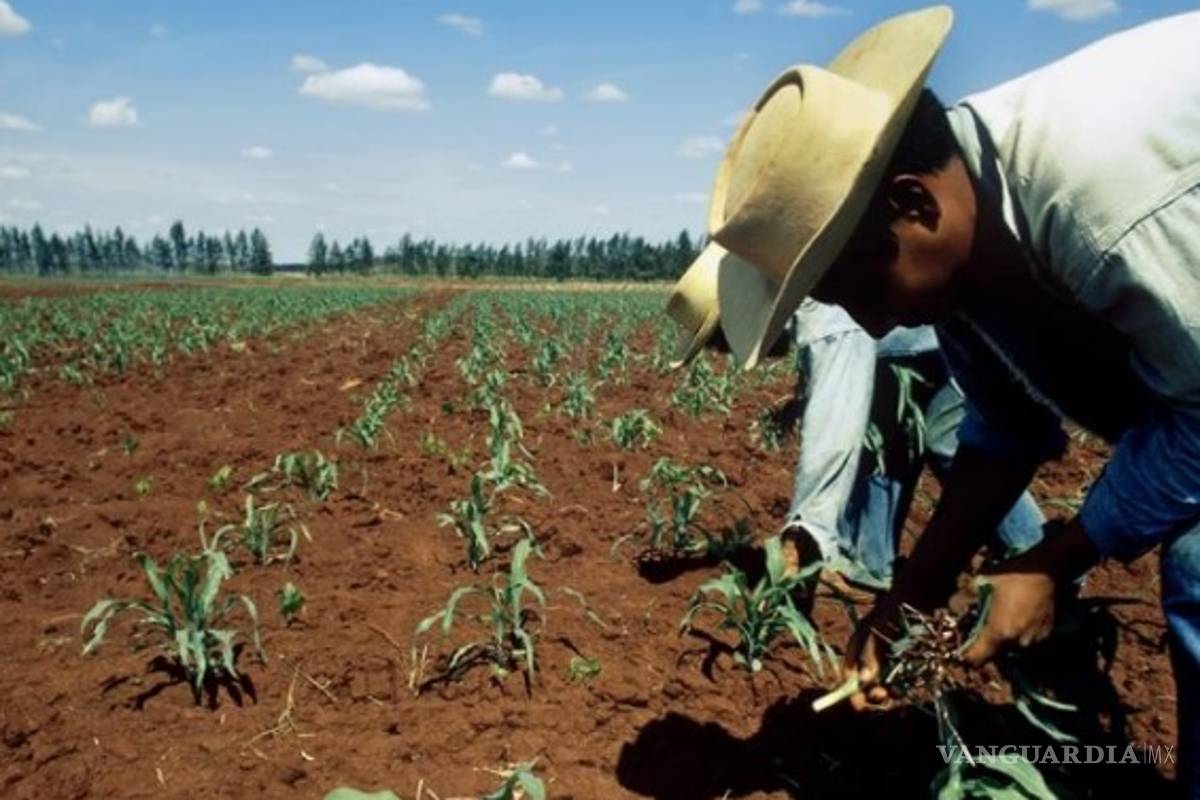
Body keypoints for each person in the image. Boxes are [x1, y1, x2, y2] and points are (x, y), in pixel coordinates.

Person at [668, 6, 1200, 792]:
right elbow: (1006, 429)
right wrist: (909, 599)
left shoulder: (1097, 201)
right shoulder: (971, 250)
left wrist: (1057, 559)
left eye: (858, 290)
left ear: (916, 206)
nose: (872, 323)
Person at [783, 298, 1044, 589]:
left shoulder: (822, 306)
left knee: (948, 439)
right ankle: (870, 565)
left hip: (939, 327)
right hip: (924, 327)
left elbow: (835, 425)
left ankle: (1040, 563)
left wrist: (808, 526)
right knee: (925, 435)